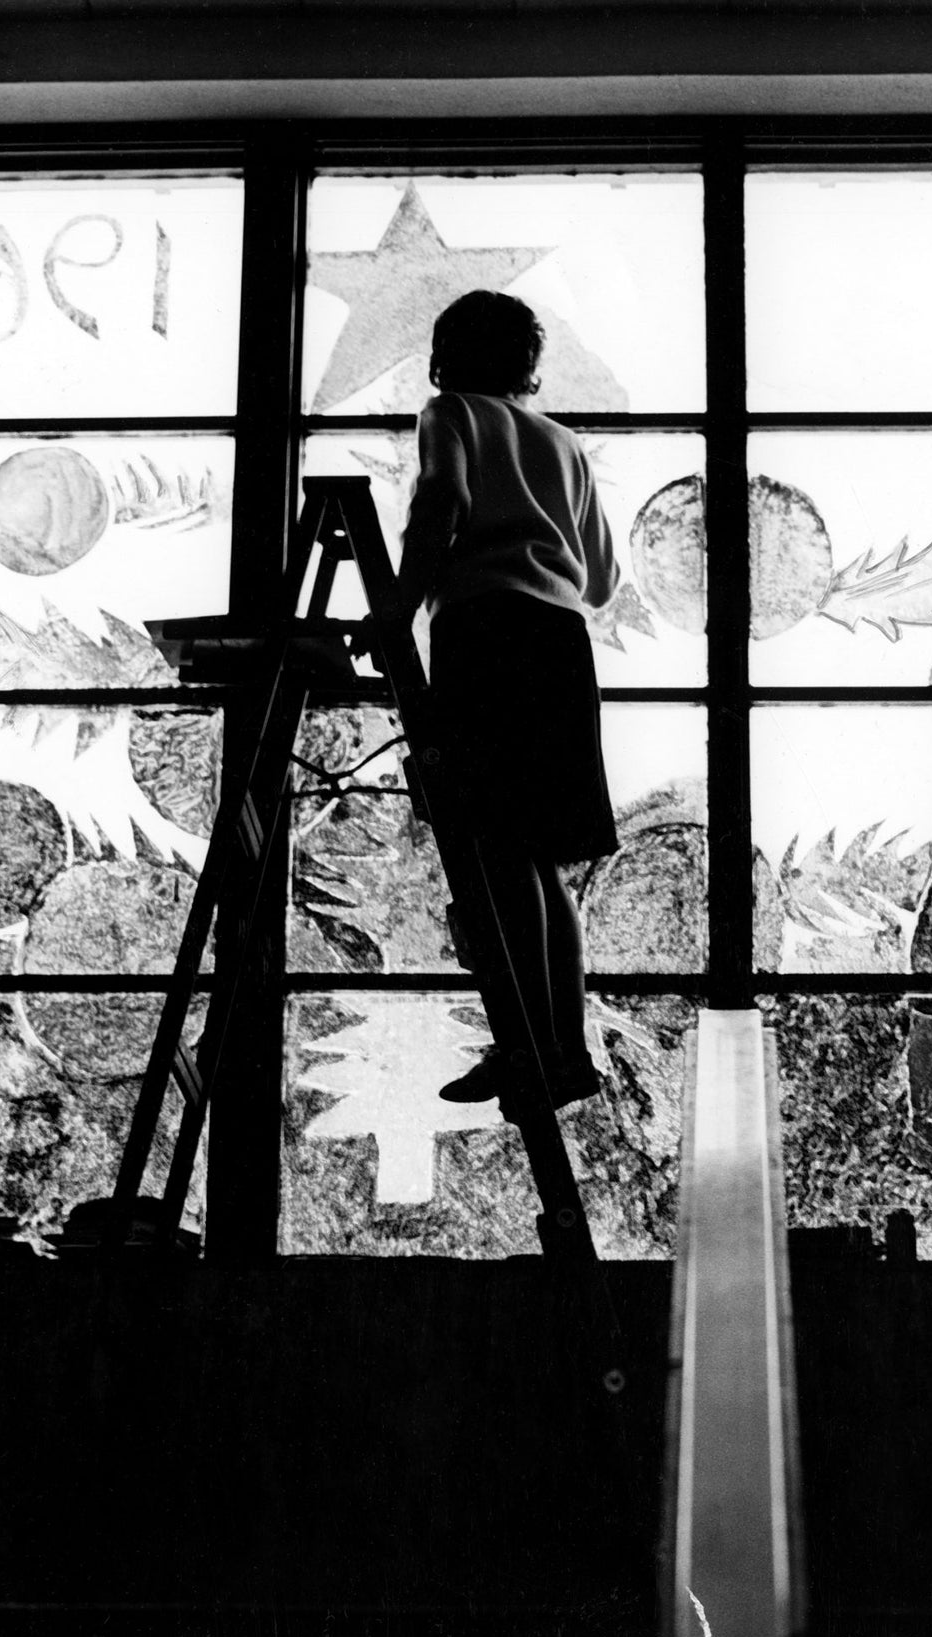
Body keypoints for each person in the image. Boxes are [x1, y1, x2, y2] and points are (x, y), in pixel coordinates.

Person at [393, 290, 620, 1110]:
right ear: (528, 360)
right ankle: (561, 1045)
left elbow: (439, 506)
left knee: (494, 849)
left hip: (485, 631)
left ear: (447, 351)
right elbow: (601, 576)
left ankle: (525, 1043)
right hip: (560, 644)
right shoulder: (563, 444)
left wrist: (397, 607)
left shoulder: (449, 413)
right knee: (541, 859)